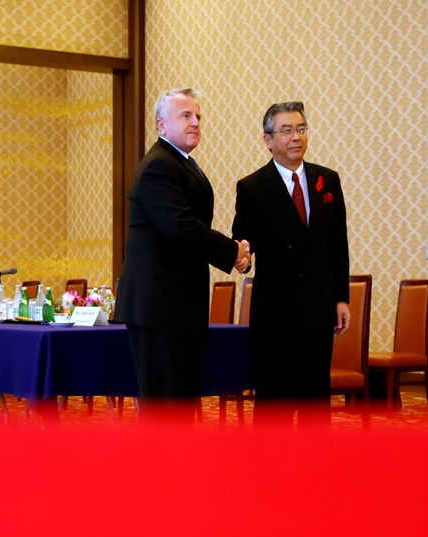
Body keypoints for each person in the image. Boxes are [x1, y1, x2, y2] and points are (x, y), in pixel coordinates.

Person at [116, 88, 250, 414]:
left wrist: (231, 250)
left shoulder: (180, 163)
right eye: (185, 116)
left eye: (198, 117)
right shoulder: (159, 167)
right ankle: (164, 465)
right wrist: (231, 250)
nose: (195, 123)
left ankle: (179, 463)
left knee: (181, 397)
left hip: (176, 304)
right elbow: (181, 227)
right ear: (162, 126)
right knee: (166, 403)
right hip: (159, 307)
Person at [231, 101, 350, 425]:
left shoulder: (328, 180)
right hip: (276, 311)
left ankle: (315, 470)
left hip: (318, 308)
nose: (296, 137)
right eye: (286, 130)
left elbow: (338, 244)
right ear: (268, 140)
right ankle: (270, 470)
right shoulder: (253, 186)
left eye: (300, 129)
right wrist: (242, 256)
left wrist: (341, 297)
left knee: (315, 399)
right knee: (275, 400)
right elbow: (243, 237)